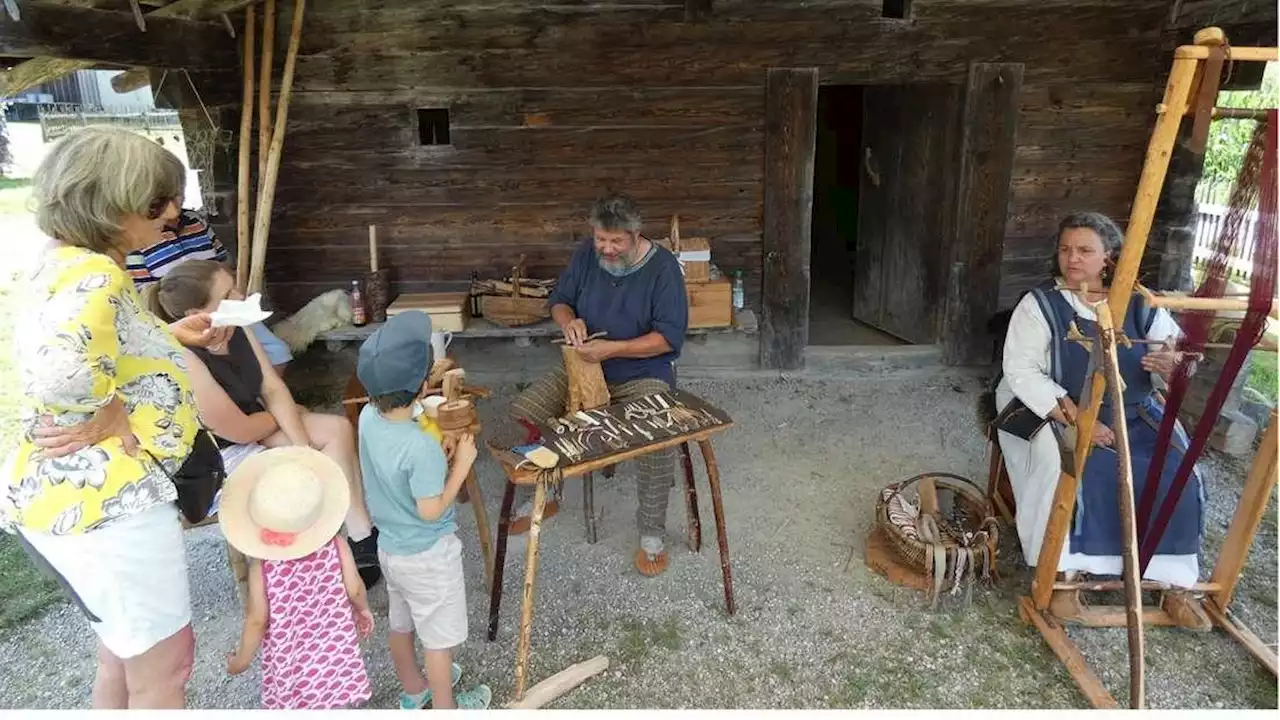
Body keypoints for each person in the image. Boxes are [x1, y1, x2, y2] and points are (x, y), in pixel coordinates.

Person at [1, 126, 218, 708]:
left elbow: (94, 345)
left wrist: (162, 339)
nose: (171, 213)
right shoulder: (96, 274)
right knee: (166, 670)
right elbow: (61, 369)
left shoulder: (63, 262)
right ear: (108, 202)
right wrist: (110, 410)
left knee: (120, 655)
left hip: (68, 508)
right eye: (155, 202)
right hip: (111, 513)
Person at [993, 211, 1208, 628]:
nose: (1072, 259)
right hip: (1053, 406)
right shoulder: (1041, 305)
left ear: (1109, 257)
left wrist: (1171, 362)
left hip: (1133, 412)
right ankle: (1062, 579)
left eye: (1084, 250)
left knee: (1180, 471)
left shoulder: (1143, 304)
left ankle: (1175, 583)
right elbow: (1020, 371)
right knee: (1072, 467)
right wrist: (1081, 422)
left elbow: (1181, 356)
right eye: (1065, 249)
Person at [139, 260, 382, 587]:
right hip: (218, 453)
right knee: (288, 477)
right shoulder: (183, 357)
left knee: (335, 430)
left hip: (256, 424)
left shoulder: (236, 327)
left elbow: (271, 387)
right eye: (229, 294)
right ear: (199, 311)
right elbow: (236, 430)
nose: (241, 295)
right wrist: (289, 416)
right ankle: (305, 568)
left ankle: (361, 534)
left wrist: (303, 444)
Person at [508, 193, 689, 577]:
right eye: (600, 240)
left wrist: (615, 348)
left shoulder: (663, 268)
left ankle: (652, 532)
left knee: (658, 434)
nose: (606, 248)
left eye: (615, 241)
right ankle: (547, 491)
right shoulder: (587, 255)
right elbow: (560, 300)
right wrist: (569, 321)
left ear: (635, 234)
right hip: (585, 367)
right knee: (527, 412)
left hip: (642, 373)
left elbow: (669, 338)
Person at [356, 310, 491, 710]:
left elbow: (402, 432)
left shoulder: (367, 417)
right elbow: (431, 510)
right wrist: (462, 463)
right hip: (429, 554)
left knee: (401, 624)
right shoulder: (421, 447)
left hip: (391, 549)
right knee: (437, 640)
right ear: (421, 386)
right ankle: (446, 708)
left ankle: (414, 691)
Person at [221, 446, 373, 710]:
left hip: (292, 664)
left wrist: (242, 659)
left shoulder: (263, 566)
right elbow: (355, 588)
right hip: (335, 657)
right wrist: (363, 610)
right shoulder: (336, 545)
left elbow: (257, 620)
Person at [126, 207, 294, 374]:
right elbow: (142, 292)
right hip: (195, 306)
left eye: (178, 193)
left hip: (213, 303)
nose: (175, 203)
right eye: (168, 197)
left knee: (276, 351)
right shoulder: (188, 363)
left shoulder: (194, 220)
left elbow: (221, 259)